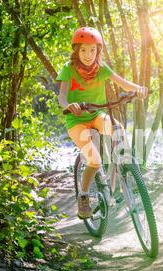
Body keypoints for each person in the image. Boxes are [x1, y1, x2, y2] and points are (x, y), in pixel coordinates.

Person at [57, 27, 147, 220]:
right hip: (76, 120)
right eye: (83, 50)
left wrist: (138, 89)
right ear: (76, 50)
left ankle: (124, 168)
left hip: (96, 114)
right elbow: (62, 97)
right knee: (95, 160)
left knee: (118, 129)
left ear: (98, 51)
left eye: (92, 50)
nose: (88, 55)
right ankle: (83, 196)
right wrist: (68, 106)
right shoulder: (68, 69)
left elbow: (122, 83)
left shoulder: (102, 69)